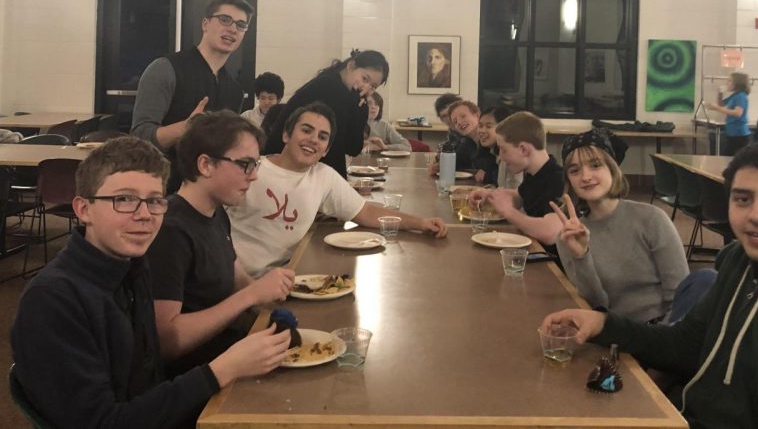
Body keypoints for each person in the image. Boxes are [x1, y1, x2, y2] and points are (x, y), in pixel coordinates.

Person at [542, 141, 758, 428]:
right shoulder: (743, 265)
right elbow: (686, 345)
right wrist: (603, 324)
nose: (757, 215)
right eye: (743, 199)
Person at [11, 136, 291, 428]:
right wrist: (220, 370)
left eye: (155, 201)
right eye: (124, 199)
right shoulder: (54, 300)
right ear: (83, 210)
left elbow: (149, 379)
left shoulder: (132, 268)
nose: (144, 215)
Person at [147, 111, 296, 378]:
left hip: (232, 355)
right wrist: (250, 296)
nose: (253, 177)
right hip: (200, 380)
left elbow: (237, 277)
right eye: (245, 164)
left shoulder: (216, 213)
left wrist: (271, 296)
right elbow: (167, 342)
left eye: (256, 165)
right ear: (205, 165)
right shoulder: (170, 232)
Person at [228, 102, 448, 277]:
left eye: (323, 137)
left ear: (326, 150)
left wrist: (421, 223)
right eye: (306, 130)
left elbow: (367, 212)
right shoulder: (252, 168)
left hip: (279, 281)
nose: (313, 140)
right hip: (231, 281)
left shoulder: (322, 176)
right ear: (286, 135)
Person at [552, 129, 695, 322]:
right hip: (609, 333)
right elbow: (595, 306)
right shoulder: (569, 237)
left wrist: (660, 342)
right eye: (575, 170)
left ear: (612, 169)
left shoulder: (651, 219)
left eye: (595, 165)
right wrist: (581, 256)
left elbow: (681, 298)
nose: (585, 177)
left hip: (660, 333)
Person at [132, 0, 254, 192]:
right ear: (205, 24)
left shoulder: (235, 91)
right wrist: (185, 128)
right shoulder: (165, 69)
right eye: (224, 19)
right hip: (161, 194)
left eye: (241, 25)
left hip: (209, 197)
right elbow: (139, 139)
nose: (232, 28)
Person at [263, 50, 389, 178]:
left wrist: (360, 108)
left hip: (300, 168)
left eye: (373, 87)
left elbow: (353, 147)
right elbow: (336, 149)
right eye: (364, 78)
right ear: (350, 66)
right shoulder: (329, 87)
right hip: (283, 169)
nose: (366, 87)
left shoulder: (349, 95)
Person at [468, 112, 565, 247]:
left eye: (503, 149)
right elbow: (519, 197)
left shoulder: (558, 180)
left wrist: (509, 212)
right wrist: (490, 196)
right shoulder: (535, 173)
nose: (500, 157)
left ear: (523, 150)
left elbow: (550, 233)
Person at [707, 72, 751, 156]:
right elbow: (721, 104)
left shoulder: (741, 96)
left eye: (729, 81)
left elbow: (737, 113)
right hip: (733, 133)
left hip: (739, 135)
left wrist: (716, 108)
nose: (727, 83)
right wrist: (720, 93)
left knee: (729, 159)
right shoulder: (735, 95)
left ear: (737, 83)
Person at [476, 105, 520, 188]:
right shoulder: (492, 152)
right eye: (480, 126)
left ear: (504, 127)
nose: (482, 130)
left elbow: (511, 191)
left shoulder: (511, 155)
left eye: (488, 126)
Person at [447, 100, 495, 177]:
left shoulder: (492, 141)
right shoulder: (467, 143)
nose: (459, 122)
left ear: (477, 115)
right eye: (455, 121)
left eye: (463, 116)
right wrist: (438, 166)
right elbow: (453, 164)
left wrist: (488, 176)